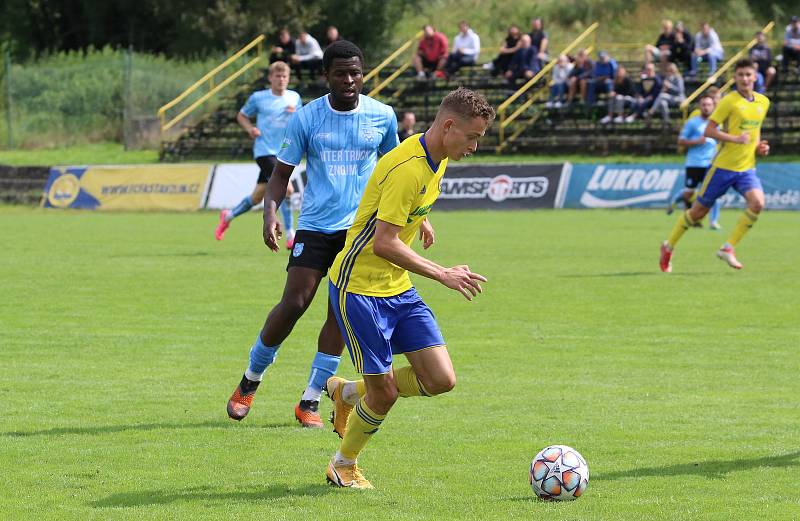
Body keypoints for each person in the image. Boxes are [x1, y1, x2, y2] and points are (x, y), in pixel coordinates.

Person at [323, 87, 495, 489]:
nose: (474, 146)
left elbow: (401, 210)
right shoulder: (409, 166)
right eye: (472, 137)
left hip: (397, 288)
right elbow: (383, 242)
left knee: (440, 379)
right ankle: (342, 465)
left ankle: (346, 392)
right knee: (383, 396)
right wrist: (443, 274)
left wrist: (422, 221)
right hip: (360, 289)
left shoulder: (438, 158)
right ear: (449, 126)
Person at [226, 41, 400, 428]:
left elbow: (395, 173)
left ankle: (310, 401)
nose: (349, 80)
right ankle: (249, 381)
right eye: (340, 73)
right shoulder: (306, 118)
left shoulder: (382, 116)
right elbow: (280, 176)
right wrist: (270, 214)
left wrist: (417, 217)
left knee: (341, 314)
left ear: (363, 72)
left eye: (355, 72)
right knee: (294, 303)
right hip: (316, 227)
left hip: (360, 232)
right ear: (326, 76)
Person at [660, 59, 770, 273]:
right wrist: (734, 139)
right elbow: (709, 131)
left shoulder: (763, 102)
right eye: (740, 75)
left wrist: (759, 147)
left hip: (746, 168)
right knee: (698, 212)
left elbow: (755, 132)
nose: (745, 79)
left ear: (755, 76)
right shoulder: (729, 101)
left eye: (748, 74)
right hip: (722, 167)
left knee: (757, 203)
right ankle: (668, 246)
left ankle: (728, 248)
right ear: (735, 78)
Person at [216, 61, 300, 245]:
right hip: (264, 151)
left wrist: (295, 115)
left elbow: (300, 121)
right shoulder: (259, 98)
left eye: (284, 76)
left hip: (284, 152)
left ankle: (228, 216)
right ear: (270, 78)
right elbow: (241, 115)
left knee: (257, 196)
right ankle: (291, 235)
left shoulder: (294, 98)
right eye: (277, 76)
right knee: (287, 188)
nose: (281, 79)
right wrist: (250, 129)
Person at [668, 94, 722, 229]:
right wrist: (697, 141)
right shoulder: (692, 123)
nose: (706, 107)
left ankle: (713, 222)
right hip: (694, 163)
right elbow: (680, 141)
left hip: (711, 164)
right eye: (704, 105)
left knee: (714, 192)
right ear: (700, 106)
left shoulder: (717, 124)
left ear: (713, 106)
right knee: (689, 193)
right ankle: (674, 201)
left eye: (709, 104)